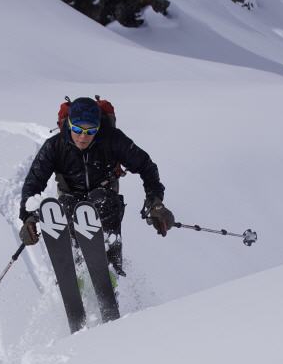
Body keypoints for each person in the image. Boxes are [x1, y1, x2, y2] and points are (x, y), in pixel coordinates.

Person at [18, 96, 174, 275]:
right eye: (77, 129)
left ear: (98, 128)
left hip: (105, 196)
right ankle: (74, 265)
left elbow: (146, 167)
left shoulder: (113, 140)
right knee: (67, 207)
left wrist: (155, 203)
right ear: (69, 124)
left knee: (101, 201)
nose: (83, 136)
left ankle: (110, 265)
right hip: (70, 195)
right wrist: (28, 217)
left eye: (90, 131)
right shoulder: (55, 146)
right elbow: (33, 181)